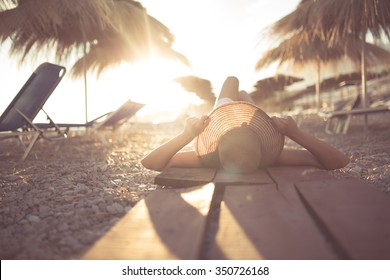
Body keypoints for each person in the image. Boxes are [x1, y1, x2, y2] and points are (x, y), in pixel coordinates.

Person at [141, 76, 349, 173]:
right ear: (259, 144)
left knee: (232, 80)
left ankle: (244, 100)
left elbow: (150, 163)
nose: (241, 125)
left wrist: (187, 135)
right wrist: (295, 133)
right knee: (240, 93)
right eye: (245, 127)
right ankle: (245, 101)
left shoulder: (208, 160)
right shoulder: (273, 158)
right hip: (252, 149)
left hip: (227, 151)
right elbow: (338, 161)